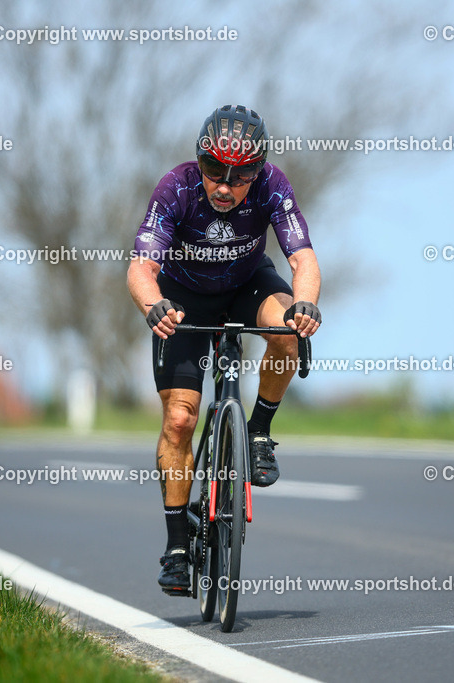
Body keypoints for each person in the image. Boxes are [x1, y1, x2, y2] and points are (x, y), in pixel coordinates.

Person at [127, 104, 321, 596]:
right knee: (180, 420)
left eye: (239, 177)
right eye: (214, 170)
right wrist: (154, 306)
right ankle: (175, 548)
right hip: (184, 295)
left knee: (285, 331)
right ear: (199, 161)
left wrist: (305, 306)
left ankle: (258, 432)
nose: (224, 186)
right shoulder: (175, 187)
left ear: (257, 171)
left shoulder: (275, 184)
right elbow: (140, 269)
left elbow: (303, 259)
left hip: (246, 284)